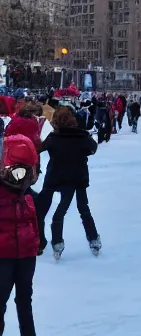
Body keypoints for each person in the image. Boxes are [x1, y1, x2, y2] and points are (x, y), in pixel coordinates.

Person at [35, 107, 101, 260]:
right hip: (78, 177)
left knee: (53, 211)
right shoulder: (82, 135)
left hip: (55, 177)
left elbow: (38, 149)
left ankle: (55, 242)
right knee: (83, 208)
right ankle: (93, 239)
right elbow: (93, 148)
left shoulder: (53, 137)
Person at [0, 134, 41, 336]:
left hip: (25, 254)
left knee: (25, 300)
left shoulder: (28, 195)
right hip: (4, 255)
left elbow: (35, 221)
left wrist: (35, 243)